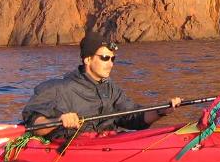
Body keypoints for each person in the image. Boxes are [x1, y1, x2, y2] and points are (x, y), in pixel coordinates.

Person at [22, 37, 182, 137]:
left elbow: (134, 118)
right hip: (73, 152)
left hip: (108, 142)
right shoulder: (57, 88)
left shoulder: (111, 89)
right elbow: (35, 124)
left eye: (113, 59)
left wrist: (161, 111)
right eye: (105, 58)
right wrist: (59, 120)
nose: (110, 64)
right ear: (87, 59)